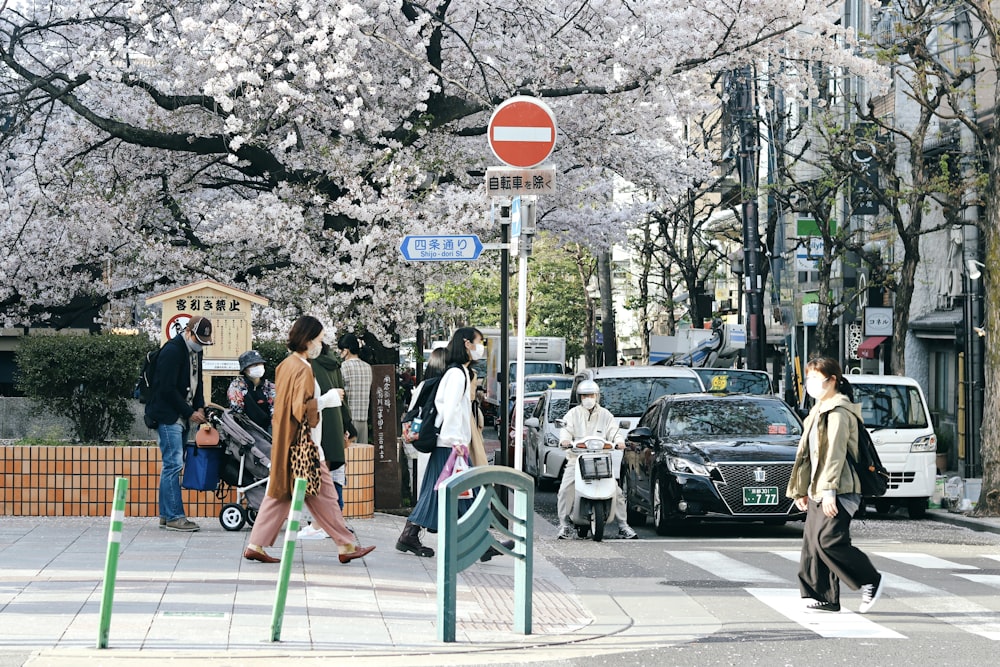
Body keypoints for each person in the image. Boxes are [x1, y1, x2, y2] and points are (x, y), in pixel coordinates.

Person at [242, 316, 375, 565]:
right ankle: (345, 545)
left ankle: (256, 544)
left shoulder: (285, 365)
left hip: (289, 443)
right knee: (323, 495)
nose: (321, 344)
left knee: (281, 494)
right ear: (307, 339)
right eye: (319, 339)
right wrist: (328, 399)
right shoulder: (303, 368)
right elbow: (300, 410)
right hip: (306, 447)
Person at [787, 357, 883, 614]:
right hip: (820, 489)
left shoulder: (839, 413)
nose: (810, 384)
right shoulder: (817, 411)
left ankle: (870, 579)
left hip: (840, 490)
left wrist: (828, 492)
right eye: (809, 378)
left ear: (832, 381)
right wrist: (801, 489)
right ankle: (825, 596)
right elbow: (807, 455)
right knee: (813, 543)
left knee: (829, 541)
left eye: (816, 379)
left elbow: (834, 455)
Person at [144, 316, 213, 532]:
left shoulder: (195, 352)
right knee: (173, 464)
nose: (201, 345)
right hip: (168, 415)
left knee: (171, 465)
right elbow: (166, 389)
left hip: (181, 415)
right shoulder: (173, 351)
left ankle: (166, 515)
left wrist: (200, 406)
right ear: (189, 332)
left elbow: (198, 382)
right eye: (199, 340)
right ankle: (174, 516)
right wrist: (190, 412)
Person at [556, 379, 637, 540]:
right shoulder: (573, 414)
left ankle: (623, 526)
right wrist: (565, 441)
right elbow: (566, 430)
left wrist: (619, 442)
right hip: (577, 459)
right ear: (580, 397)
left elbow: (614, 431)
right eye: (584, 395)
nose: (588, 398)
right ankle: (564, 525)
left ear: (597, 396)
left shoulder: (605, 415)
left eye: (591, 395)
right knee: (565, 489)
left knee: (617, 492)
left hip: (601, 460)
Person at [298, 341, 357, 539]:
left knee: (322, 475)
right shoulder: (335, 365)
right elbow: (343, 398)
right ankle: (333, 523)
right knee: (333, 474)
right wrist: (348, 426)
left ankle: (324, 524)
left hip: (319, 426)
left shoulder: (310, 365)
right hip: (336, 423)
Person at [395, 347, 448, 557]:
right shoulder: (442, 386)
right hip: (441, 441)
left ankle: (411, 532)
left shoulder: (424, 384)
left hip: (426, 441)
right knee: (438, 489)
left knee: (436, 488)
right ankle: (410, 532)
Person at [227, 350, 276, 432]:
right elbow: (237, 411)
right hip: (245, 430)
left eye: (260, 364)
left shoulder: (270, 387)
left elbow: (275, 410)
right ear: (245, 369)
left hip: (267, 430)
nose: (259, 367)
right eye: (254, 365)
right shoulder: (237, 386)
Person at [338, 333, 373, 444]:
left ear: (346, 350)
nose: (340, 353)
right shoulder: (367, 367)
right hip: (363, 417)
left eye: (341, 350)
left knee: (349, 456)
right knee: (362, 457)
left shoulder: (344, 367)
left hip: (348, 419)